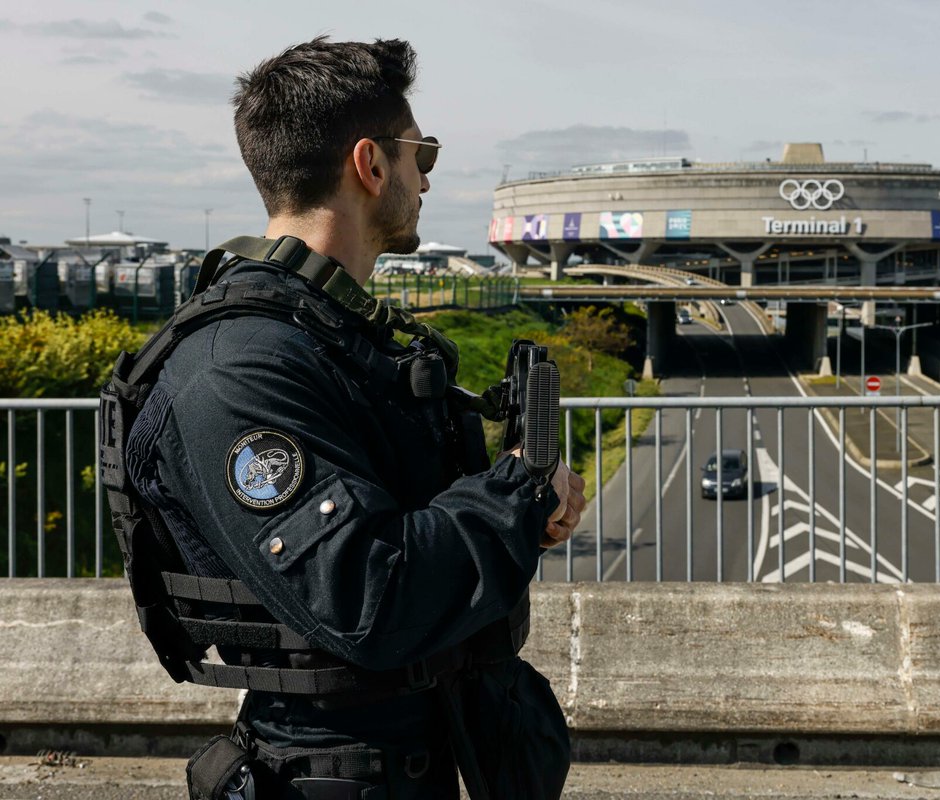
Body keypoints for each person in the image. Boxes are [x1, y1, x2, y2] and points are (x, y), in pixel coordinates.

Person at [108, 36, 585, 799]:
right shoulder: (238, 369)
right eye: (420, 156)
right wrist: (519, 497)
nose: (426, 180)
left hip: (411, 755)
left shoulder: (329, 338)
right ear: (370, 164)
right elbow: (372, 595)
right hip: (330, 773)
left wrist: (526, 495)